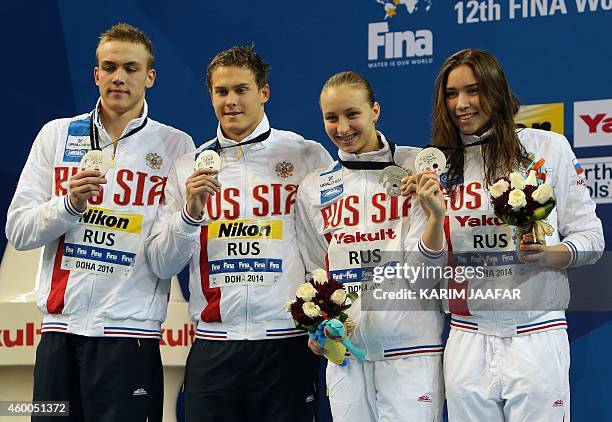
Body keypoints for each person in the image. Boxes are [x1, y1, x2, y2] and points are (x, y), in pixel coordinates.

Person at [5, 23, 195, 422]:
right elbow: (18, 230)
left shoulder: (176, 145)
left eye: (130, 67)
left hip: (130, 339)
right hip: (58, 335)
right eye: (109, 67)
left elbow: (166, 264)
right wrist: (68, 205)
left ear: (150, 77)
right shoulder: (56, 135)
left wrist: (190, 218)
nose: (119, 77)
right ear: (96, 74)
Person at [145, 46, 332, 422]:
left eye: (241, 90)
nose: (230, 101)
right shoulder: (188, 167)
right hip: (215, 345)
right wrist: (189, 213)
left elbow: (329, 248)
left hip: (286, 344)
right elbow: (162, 263)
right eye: (221, 91)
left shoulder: (306, 156)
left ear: (264, 92)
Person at [430, 48, 604, 421]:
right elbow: (429, 255)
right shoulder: (441, 165)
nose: (461, 104)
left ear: (497, 90)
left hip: (536, 331)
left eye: (473, 90)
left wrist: (553, 253)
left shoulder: (546, 148)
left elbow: (592, 237)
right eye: (451, 93)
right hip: (466, 334)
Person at [295, 71, 446, 421]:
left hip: (410, 349)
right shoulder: (314, 187)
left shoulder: (416, 167)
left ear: (374, 110)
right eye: (331, 117)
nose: (342, 127)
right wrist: (317, 326)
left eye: (352, 114)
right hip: (346, 353)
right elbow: (317, 272)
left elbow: (428, 269)